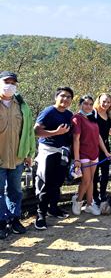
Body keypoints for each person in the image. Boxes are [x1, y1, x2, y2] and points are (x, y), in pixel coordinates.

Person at [0, 71, 35, 239]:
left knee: (15, 190)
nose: (10, 85)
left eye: (14, 82)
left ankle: (14, 219)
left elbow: (28, 132)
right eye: (7, 81)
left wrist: (29, 153)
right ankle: (1, 222)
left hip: (17, 156)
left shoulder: (22, 106)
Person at [34, 87, 74, 230]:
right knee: (46, 183)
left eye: (69, 97)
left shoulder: (69, 114)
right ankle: (40, 215)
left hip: (63, 152)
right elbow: (36, 131)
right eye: (62, 96)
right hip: (48, 151)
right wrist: (55, 132)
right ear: (56, 97)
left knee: (57, 182)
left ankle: (53, 208)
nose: (65, 99)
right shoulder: (48, 112)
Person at [71, 95, 111, 216]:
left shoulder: (92, 117)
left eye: (90, 104)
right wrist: (77, 158)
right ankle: (78, 201)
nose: (88, 106)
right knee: (87, 180)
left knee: (91, 180)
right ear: (80, 104)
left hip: (94, 153)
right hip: (83, 153)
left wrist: (105, 151)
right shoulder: (77, 118)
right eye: (85, 104)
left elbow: (98, 136)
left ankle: (89, 204)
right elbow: (76, 139)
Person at [93, 93, 111, 206]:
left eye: (108, 102)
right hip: (95, 148)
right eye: (104, 101)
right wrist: (105, 151)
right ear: (99, 100)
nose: (106, 104)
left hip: (105, 146)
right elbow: (97, 134)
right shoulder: (94, 113)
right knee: (94, 174)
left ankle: (103, 194)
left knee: (105, 173)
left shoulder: (107, 114)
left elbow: (107, 130)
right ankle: (94, 196)